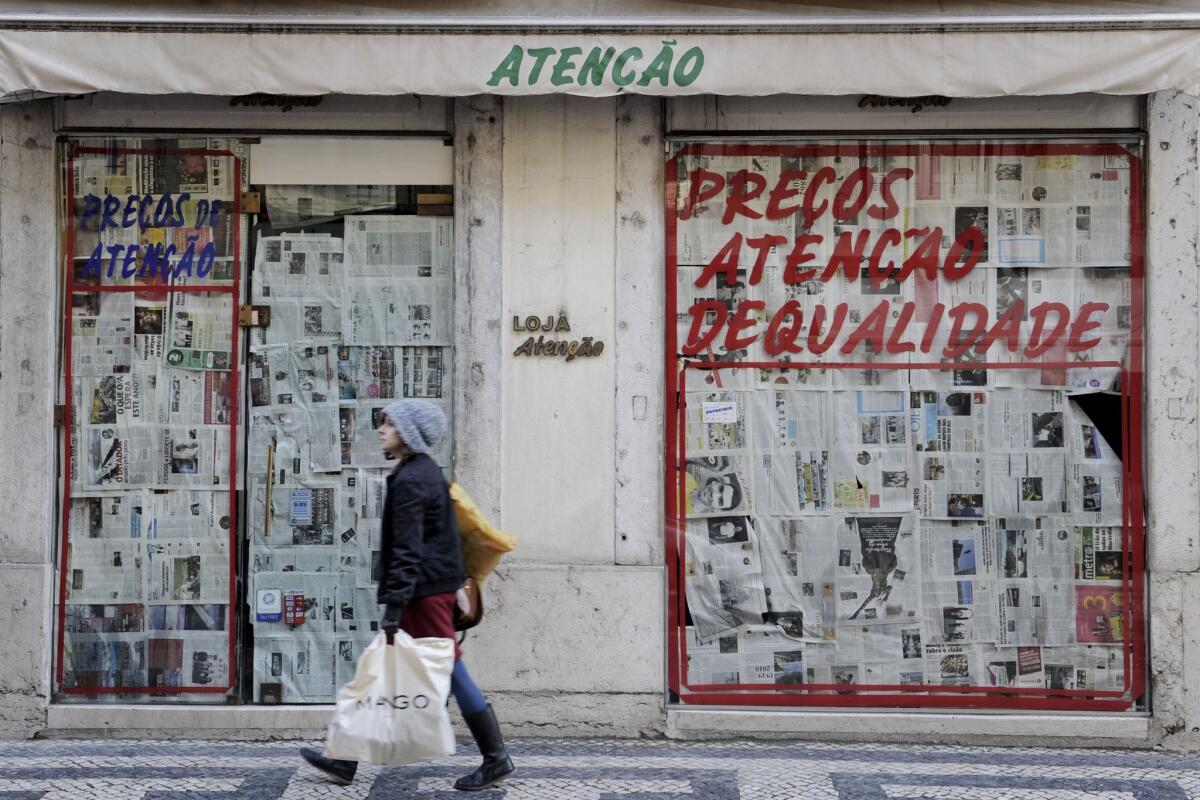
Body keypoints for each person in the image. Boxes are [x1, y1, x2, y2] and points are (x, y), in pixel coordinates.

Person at [301, 399, 514, 791]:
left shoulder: (414, 479)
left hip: (423, 594)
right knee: (397, 667)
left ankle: (495, 757)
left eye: (390, 423)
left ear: (409, 432)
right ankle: (345, 758)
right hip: (431, 590)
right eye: (382, 422)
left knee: (432, 668)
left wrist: (395, 606)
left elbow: (408, 548)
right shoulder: (424, 473)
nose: (381, 428)